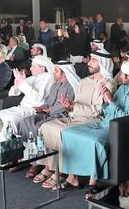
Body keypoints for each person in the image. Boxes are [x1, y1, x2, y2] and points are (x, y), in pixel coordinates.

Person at [57, 61, 129, 195]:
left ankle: (93, 183)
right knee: (68, 133)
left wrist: (110, 100)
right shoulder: (123, 88)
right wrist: (106, 99)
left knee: (94, 141)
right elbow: (107, 110)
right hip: (104, 121)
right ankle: (73, 177)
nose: (119, 76)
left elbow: (125, 119)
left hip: (119, 128)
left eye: (122, 74)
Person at [34, 51, 117, 189]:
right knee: (47, 127)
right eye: (90, 59)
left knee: (60, 130)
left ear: (103, 63)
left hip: (92, 120)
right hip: (74, 116)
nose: (89, 62)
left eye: (94, 60)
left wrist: (73, 106)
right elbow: (75, 104)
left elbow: (98, 111)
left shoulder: (109, 84)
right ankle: (53, 168)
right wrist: (68, 106)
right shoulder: (84, 81)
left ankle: (61, 172)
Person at [20, 61, 80, 179]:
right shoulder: (55, 84)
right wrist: (41, 107)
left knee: (38, 128)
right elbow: (48, 101)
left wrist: (49, 110)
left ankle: (44, 164)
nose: (53, 72)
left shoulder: (72, 85)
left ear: (64, 72)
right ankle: (33, 159)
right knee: (25, 122)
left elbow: (65, 106)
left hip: (61, 116)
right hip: (48, 113)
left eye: (56, 70)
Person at [0, 56, 55, 130]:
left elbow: (38, 98)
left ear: (42, 68)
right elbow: (12, 93)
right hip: (21, 108)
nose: (30, 68)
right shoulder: (33, 78)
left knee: (9, 121)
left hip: (34, 110)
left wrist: (23, 82)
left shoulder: (49, 79)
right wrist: (17, 83)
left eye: (33, 66)